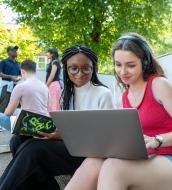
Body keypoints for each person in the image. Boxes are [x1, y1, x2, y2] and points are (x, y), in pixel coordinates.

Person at [65, 33, 172, 190]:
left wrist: (157, 140)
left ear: (145, 62)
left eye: (130, 65)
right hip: (148, 158)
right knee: (92, 161)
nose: (123, 72)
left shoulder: (159, 85)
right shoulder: (125, 96)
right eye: (118, 64)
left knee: (113, 168)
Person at [0, 45, 114, 190]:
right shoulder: (65, 93)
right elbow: (64, 123)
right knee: (18, 140)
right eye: (74, 68)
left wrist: (64, 135)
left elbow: (106, 140)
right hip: (69, 144)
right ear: (66, 68)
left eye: (86, 68)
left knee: (34, 150)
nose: (80, 73)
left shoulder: (103, 93)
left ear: (93, 68)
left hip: (89, 154)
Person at [0, 59, 49, 154]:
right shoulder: (44, 86)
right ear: (35, 71)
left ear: (22, 71)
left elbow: (8, 113)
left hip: (28, 126)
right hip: (43, 124)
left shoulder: (21, 86)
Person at [0, 46, 20, 113]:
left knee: (14, 106)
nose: (15, 51)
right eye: (13, 50)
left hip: (16, 86)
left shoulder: (18, 64)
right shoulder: (3, 62)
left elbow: (20, 74)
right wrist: (11, 77)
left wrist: (20, 77)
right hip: (6, 86)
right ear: (9, 52)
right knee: (3, 105)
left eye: (16, 50)